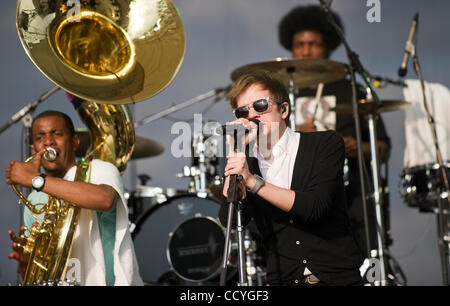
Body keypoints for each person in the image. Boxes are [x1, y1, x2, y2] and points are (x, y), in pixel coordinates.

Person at [219, 70, 363, 286]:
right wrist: (235, 152)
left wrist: (253, 182)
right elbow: (231, 218)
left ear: (284, 109)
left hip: (336, 278)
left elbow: (314, 207)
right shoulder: (246, 164)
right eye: (243, 111)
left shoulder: (324, 144)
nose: (252, 115)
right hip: (283, 279)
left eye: (260, 105)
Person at [278, 5, 391, 256]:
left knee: (364, 257)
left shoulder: (352, 92)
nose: (306, 51)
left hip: (352, 196)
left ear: (327, 46)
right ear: (290, 47)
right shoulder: (284, 96)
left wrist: (355, 147)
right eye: (300, 44)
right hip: (299, 195)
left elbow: (382, 149)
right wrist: (295, 138)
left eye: (314, 44)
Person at [6, 110, 143, 286]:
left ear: (75, 142)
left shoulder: (100, 169)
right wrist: (25, 262)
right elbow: (38, 277)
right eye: (40, 137)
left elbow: (104, 199)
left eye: (57, 134)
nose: (48, 141)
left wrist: (37, 180)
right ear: (34, 149)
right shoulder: (34, 199)